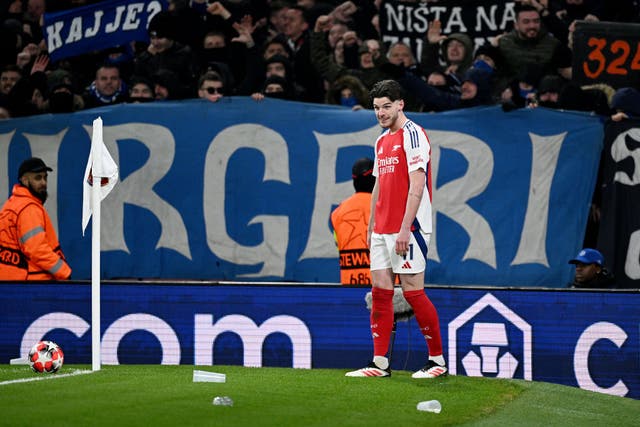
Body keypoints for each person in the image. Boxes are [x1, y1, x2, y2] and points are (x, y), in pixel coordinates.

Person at [345, 80, 446, 379]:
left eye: (386, 106)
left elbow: (417, 184)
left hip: (408, 227)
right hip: (382, 228)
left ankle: (437, 361)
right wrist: (372, 226)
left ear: (400, 104)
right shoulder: (381, 140)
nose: (381, 113)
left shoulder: (414, 134)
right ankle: (379, 363)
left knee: (414, 293)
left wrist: (405, 228)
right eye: (376, 108)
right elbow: (379, 184)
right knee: (380, 293)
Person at [0, 157, 71, 280]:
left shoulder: (11, 204)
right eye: (38, 178)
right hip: (31, 284)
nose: (43, 182)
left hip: (10, 282)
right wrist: (64, 272)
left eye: (45, 177)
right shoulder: (28, 208)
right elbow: (37, 249)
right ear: (25, 180)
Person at [331, 158, 375, 285]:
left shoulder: (337, 213)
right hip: (384, 288)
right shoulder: (387, 208)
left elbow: (338, 244)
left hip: (348, 288)